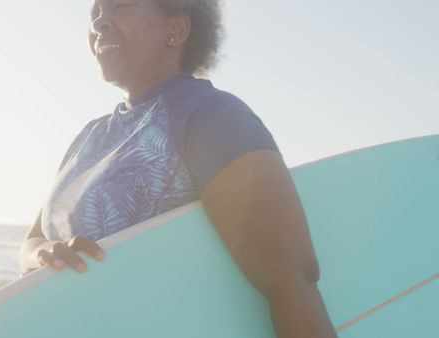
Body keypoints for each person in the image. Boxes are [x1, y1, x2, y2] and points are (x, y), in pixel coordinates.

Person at [20, 0, 337, 337]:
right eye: (95, 14)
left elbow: (290, 281)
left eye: (119, 7)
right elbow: (34, 241)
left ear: (176, 29)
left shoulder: (211, 116)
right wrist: (42, 254)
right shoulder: (90, 137)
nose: (100, 23)